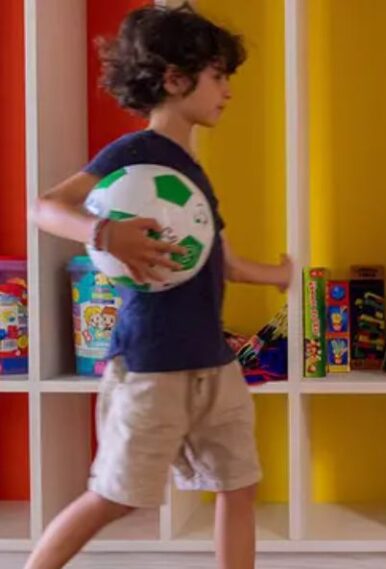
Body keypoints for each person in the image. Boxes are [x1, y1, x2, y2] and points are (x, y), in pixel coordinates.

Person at [25, 5, 291, 568]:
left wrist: (278, 275)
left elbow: (220, 260)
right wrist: (103, 232)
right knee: (115, 497)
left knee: (239, 485)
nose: (228, 91)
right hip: (152, 364)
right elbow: (45, 207)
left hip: (213, 361)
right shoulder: (136, 153)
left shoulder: (190, 168)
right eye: (218, 76)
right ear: (174, 79)